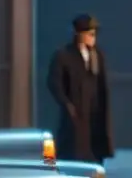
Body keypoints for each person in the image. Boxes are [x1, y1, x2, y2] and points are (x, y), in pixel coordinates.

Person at [47, 14, 114, 163]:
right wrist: (67, 104)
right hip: (76, 112)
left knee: (94, 151)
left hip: (95, 114)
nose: (93, 37)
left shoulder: (98, 55)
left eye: (94, 33)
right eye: (89, 33)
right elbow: (54, 83)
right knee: (74, 150)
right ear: (79, 35)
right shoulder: (63, 56)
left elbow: (101, 83)